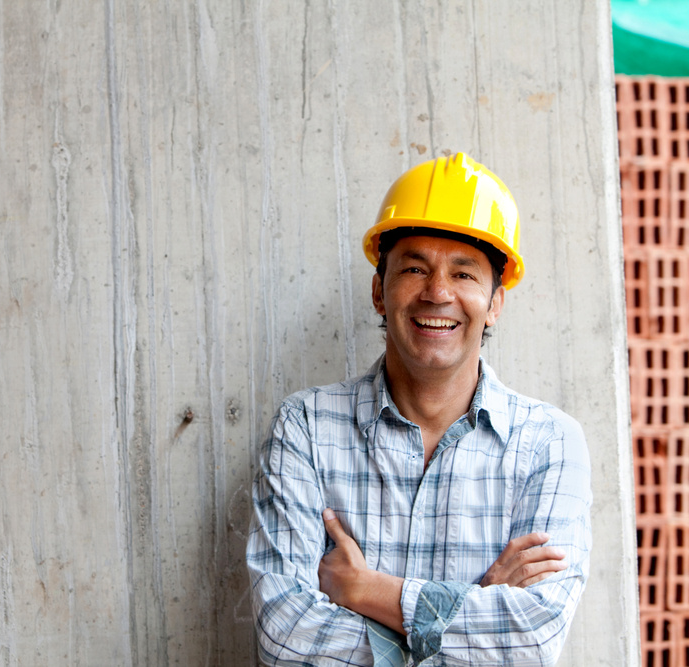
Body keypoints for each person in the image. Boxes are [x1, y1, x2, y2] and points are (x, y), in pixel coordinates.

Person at [246, 153, 592, 666]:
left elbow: (532, 641)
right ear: (378, 291)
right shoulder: (306, 429)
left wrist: (366, 592)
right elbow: (285, 637)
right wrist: (476, 601)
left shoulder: (549, 443)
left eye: (464, 273)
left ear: (495, 302)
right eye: (414, 268)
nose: (437, 293)